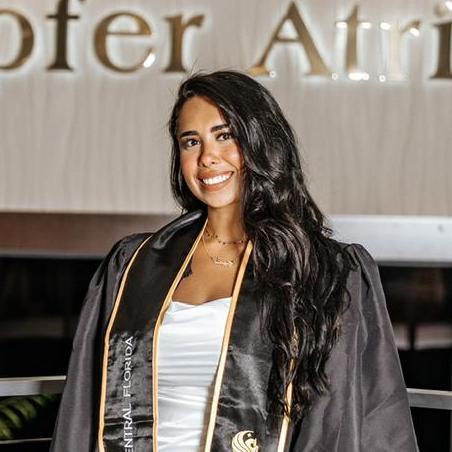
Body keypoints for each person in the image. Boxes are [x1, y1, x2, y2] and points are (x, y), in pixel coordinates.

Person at [51, 70, 418, 451]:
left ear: (261, 141)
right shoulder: (134, 266)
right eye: (191, 142)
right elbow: (84, 407)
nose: (207, 158)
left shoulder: (325, 271)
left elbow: (353, 415)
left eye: (224, 136)